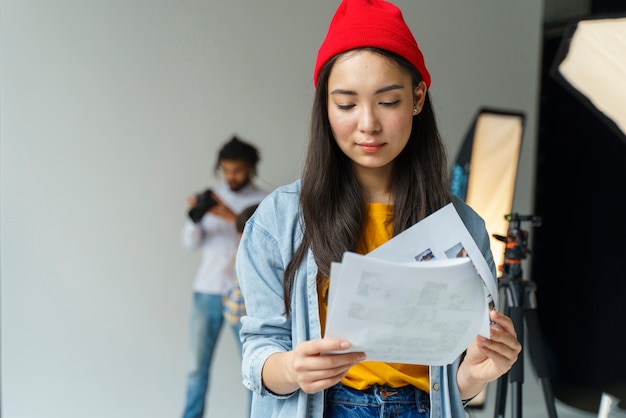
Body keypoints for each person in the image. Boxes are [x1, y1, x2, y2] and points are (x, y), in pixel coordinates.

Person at [235, 1, 522, 417]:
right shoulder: (277, 221)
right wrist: (293, 369)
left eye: (388, 101)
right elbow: (258, 351)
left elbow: (451, 385)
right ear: (325, 107)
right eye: (346, 104)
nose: (368, 123)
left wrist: (477, 373)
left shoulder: (463, 226)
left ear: (418, 98)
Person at [180, 135, 268, 418]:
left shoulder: (264, 201)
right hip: (207, 292)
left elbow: (263, 244)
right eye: (227, 170)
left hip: (245, 296)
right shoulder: (213, 197)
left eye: (238, 170)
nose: (232, 177)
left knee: (253, 367)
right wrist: (196, 217)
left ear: (251, 168)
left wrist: (231, 216)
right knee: (196, 368)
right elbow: (190, 243)